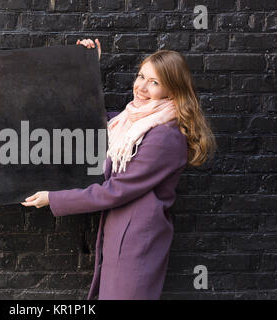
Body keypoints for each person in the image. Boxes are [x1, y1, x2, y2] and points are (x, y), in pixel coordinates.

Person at [21, 38, 217, 300]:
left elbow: (116, 190)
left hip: (137, 243)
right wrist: (88, 66)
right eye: (141, 76)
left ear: (173, 91)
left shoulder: (164, 136)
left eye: (154, 82)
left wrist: (53, 198)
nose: (142, 87)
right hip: (122, 236)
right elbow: (92, 121)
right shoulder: (130, 121)